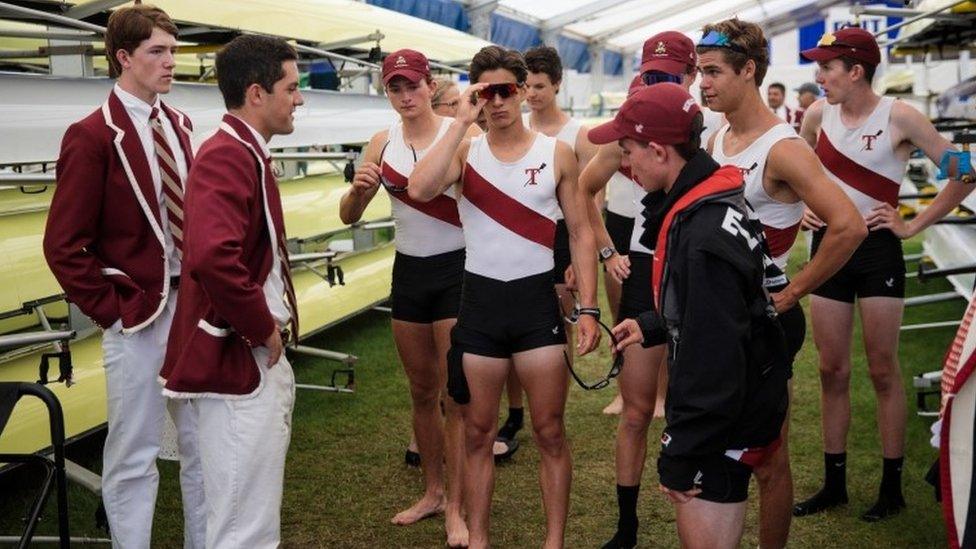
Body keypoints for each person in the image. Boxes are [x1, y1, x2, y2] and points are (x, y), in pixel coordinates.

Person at [408, 45, 601, 549]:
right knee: (476, 433)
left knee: (550, 431)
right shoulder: (464, 152)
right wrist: (457, 124)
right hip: (482, 308)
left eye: (505, 90)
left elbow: (581, 233)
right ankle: (479, 539)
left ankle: (553, 542)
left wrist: (589, 310)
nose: (496, 102)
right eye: (485, 92)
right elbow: (420, 187)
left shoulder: (556, 152)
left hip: (536, 306)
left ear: (522, 90)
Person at [596, 82, 790, 549]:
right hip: (747, 394)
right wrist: (653, 323)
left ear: (659, 151)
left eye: (629, 151)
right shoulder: (709, 197)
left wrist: (682, 451)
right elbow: (732, 304)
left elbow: (714, 356)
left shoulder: (701, 231)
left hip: (723, 420)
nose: (627, 163)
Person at [697, 18, 866, 546]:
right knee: (713, 447)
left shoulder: (783, 147)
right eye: (699, 71)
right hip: (716, 318)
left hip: (762, 321)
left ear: (748, 70)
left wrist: (793, 292)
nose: (701, 83)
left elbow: (849, 225)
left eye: (712, 72)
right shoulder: (716, 135)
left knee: (768, 459)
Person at [795, 25, 974, 522]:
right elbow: (799, 171)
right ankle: (835, 484)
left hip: (878, 254)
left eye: (827, 67)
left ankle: (890, 488)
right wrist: (808, 204)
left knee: (881, 369)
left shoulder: (901, 116)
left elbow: (965, 170)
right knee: (832, 371)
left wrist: (913, 222)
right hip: (828, 250)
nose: (819, 75)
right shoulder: (816, 113)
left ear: (856, 71)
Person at [42, 6, 206, 548]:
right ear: (123, 57)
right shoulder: (91, 135)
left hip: (192, 310)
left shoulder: (180, 124)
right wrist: (113, 312)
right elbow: (63, 247)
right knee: (134, 452)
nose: (169, 62)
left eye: (173, 51)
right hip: (137, 316)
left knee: (198, 442)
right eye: (157, 52)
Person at [158, 34, 303, 547]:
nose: (300, 98)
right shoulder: (227, 154)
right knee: (244, 523)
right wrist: (264, 329)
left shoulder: (240, 150)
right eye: (292, 87)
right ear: (257, 93)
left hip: (243, 352)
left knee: (240, 511)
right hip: (239, 357)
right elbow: (213, 257)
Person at [338, 48, 475, 546]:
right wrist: (357, 190)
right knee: (421, 391)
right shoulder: (381, 142)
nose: (405, 96)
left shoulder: (462, 133)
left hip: (458, 269)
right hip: (410, 273)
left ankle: (458, 506)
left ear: (430, 83)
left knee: (454, 394)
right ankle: (433, 492)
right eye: (395, 88)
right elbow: (349, 216)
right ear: (386, 91)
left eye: (412, 85)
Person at [576, 31, 699, 549]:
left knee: (695, 404)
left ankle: (706, 516)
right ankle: (626, 526)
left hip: (695, 268)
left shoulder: (710, 127)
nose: (658, 83)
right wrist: (608, 250)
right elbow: (584, 185)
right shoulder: (633, 119)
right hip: (646, 262)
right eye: (651, 75)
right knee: (634, 408)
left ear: (691, 76)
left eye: (669, 76)